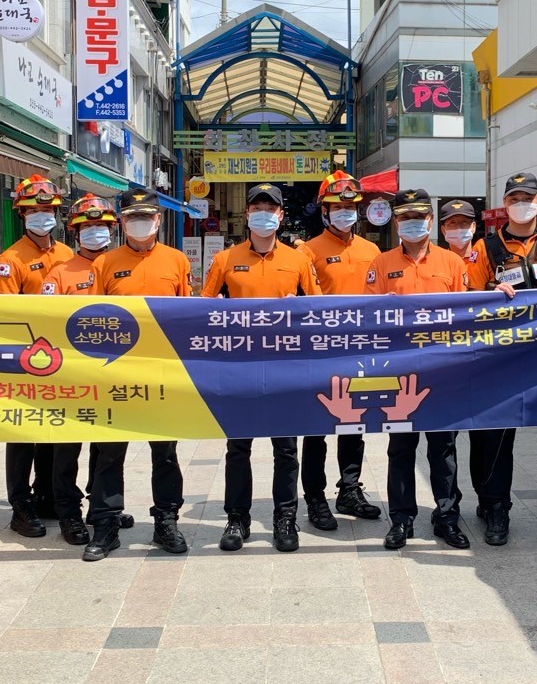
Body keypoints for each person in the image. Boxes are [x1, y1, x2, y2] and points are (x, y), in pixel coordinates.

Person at [201, 183, 321, 553]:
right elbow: (202, 310)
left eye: (271, 208)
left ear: (281, 216)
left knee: (286, 449)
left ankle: (285, 518)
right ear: (247, 214)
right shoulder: (225, 259)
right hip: (240, 368)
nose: (263, 214)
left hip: (285, 369)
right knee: (238, 448)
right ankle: (237, 518)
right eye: (257, 208)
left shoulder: (298, 260)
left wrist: (298, 312)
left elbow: (318, 311)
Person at [466, 173, 537, 547]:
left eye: (527, 197)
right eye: (514, 198)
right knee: (498, 438)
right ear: (504, 203)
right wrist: (491, 289)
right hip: (504, 358)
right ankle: (496, 509)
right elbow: (471, 297)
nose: (521, 204)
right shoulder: (486, 247)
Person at [86, 187, 195, 560]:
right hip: (117, 373)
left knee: (165, 453)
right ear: (121, 221)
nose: (140, 223)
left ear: (159, 220)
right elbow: (90, 318)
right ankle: (105, 525)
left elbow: (187, 316)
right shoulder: (104, 263)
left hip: (162, 372)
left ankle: (166, 521)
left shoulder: (176, 261)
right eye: (133, 217)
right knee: (109, 453)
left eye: (146, 217)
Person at [364, 188, 470, 551]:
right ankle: (401, 518)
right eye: (405, 217)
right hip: (399, 370)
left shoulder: (452, 263)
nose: (412, 223)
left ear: (430, 220)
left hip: (443, 370)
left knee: (443, 448)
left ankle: (447, 517)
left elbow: (466, 316)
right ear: (396, 222)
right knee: (400, 447)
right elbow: (369, 317)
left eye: (419, 217)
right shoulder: (381, 264)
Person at [38, 194, 134, 551]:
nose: (95, 232)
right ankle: (68, 512)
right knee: (67, 448)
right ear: (75, 232)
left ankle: (102, 508)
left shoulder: (121, 265)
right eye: (88, 227)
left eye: (101, 226)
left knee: (110, 448)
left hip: (114, 374)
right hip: (72, 375)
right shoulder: (60, 273)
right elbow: (45, 322)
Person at [296, 172, 383, 531]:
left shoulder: (372, 251)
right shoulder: (307, 251)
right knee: (316, 427)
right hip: (321, 351)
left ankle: (349, 490)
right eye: (336, 206)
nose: (344, 212)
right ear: (324, 211)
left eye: (350, 206)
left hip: (359, 351)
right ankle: (315, 498)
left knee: (353, 422)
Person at [0, 175, 74, 540]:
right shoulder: (11, 260)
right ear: (21, 215)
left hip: (62, 358)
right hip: (25, 358)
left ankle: (47, 496)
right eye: (33, 211)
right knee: (23, 433)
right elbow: (6, 314)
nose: (42, 216)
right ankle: (20, 505)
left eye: (48, 210)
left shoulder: (67, 255)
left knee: (53, 430)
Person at [438, 199, 479, 270]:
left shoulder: (483, 260)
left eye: (464, 222)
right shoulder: (438, 262)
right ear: (443, 230)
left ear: (473, 227)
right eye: (452, 223)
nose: (458, 228)